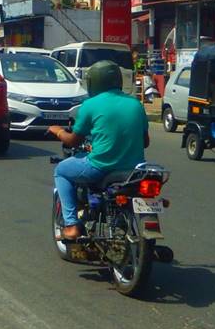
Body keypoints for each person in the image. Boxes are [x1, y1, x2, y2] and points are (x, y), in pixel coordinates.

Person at [47, 61, 149, 240]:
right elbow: (145, 141)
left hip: (101, 167)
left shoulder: (90, 105)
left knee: (61, 170)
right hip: (134, 170)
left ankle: (71, 225)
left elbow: (73, 141)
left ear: (93, 82)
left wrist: (58, 131)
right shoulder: (136, 104)